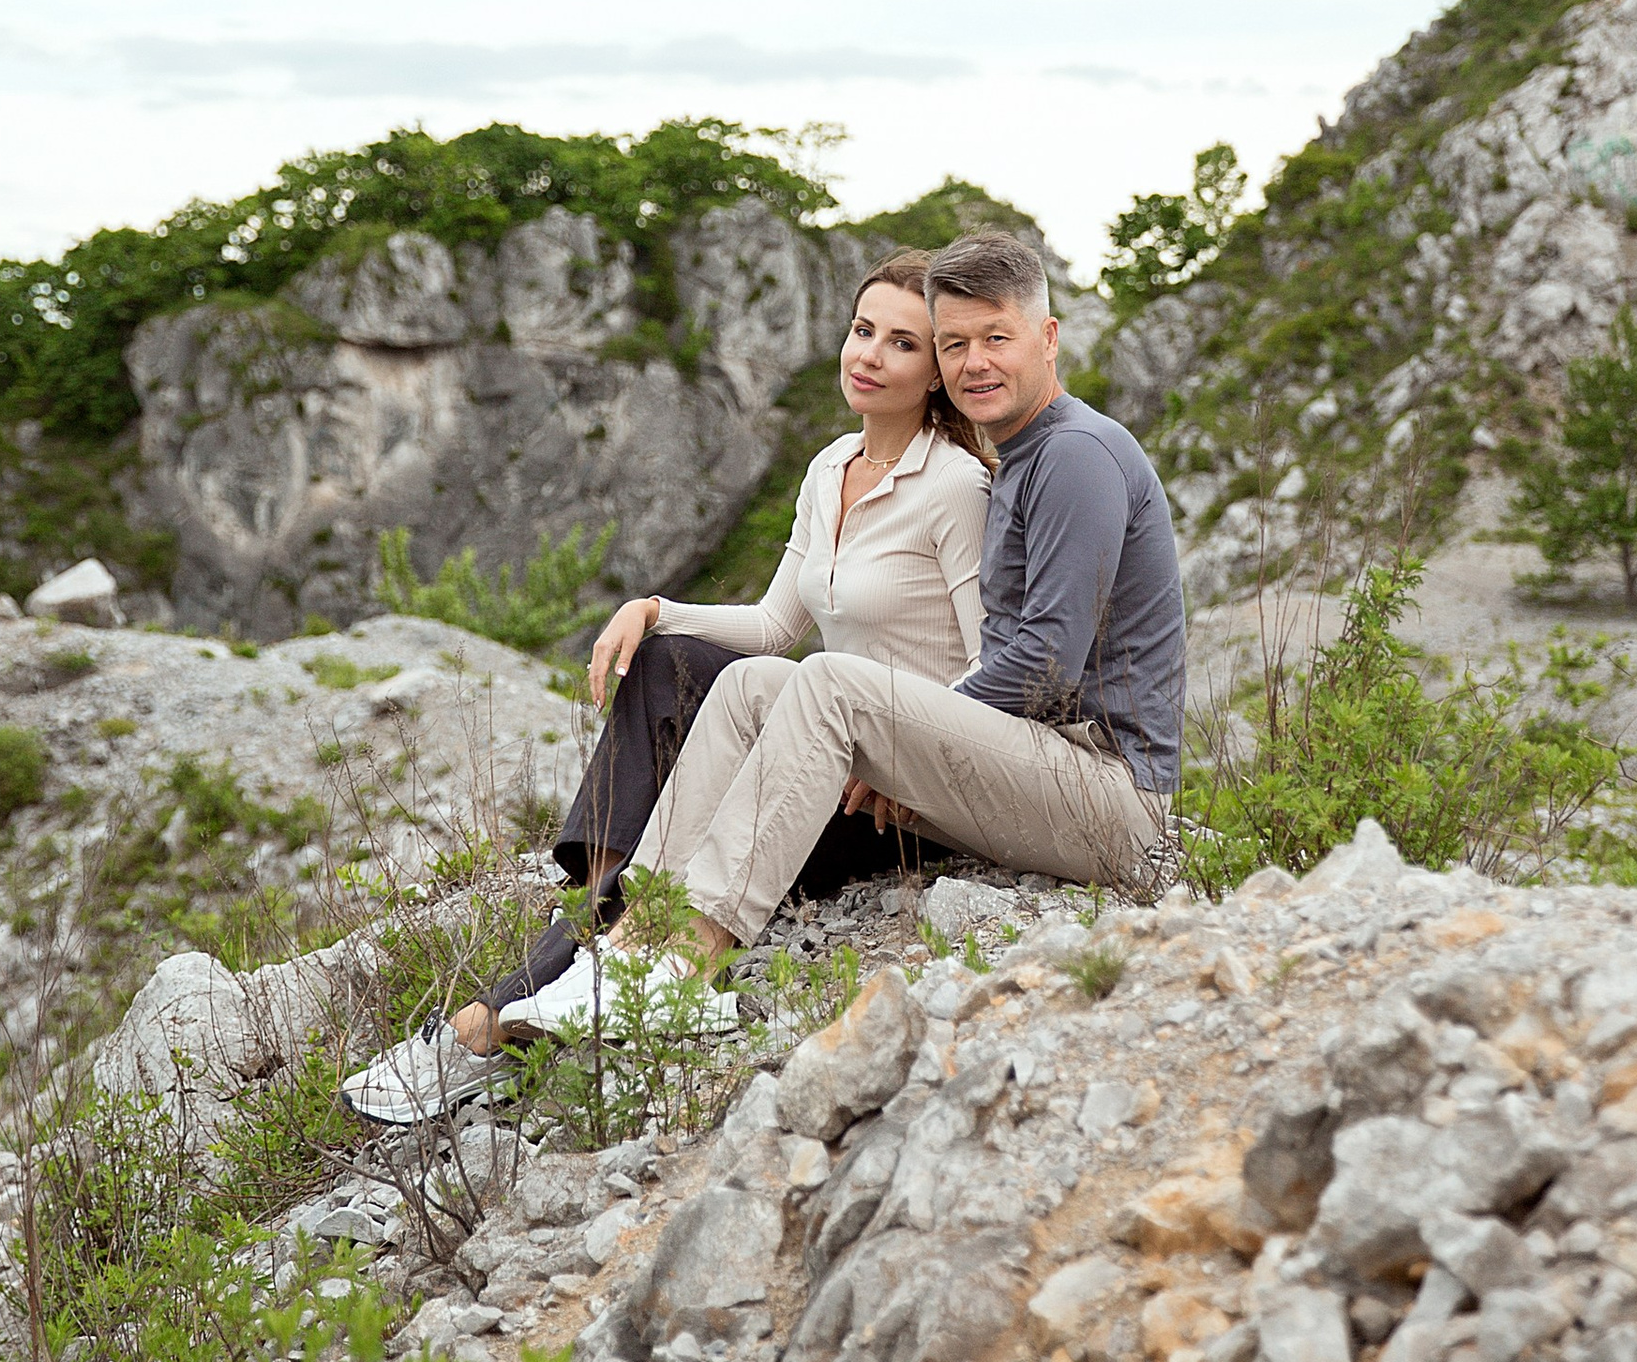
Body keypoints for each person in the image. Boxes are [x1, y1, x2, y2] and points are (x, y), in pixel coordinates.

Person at [340, 255, 992, 1124]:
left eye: (903, 343)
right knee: (663, 661)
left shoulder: (956, 485)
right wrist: (653, 609)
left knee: (684, 801)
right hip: (810, 741)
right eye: (862, 329)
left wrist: (900, 763)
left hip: (885, 795)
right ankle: (585, 948)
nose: (868, 355)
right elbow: (772, 629)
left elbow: (993, 666)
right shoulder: (831, 467)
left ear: (938, 370)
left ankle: (479, 1029)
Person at [611, 228, 1182, 966]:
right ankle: (634, 930)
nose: (974, 362)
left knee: (828, 682)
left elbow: (1046, 664)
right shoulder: (1019, 458)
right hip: (1040, 767)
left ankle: (690, 954)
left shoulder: (1076, 453)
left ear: (1048, 338)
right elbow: (777, 626)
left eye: (996, 338)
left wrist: (896, 743)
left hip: (1107, 795)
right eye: (953, 344)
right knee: (753, 683)